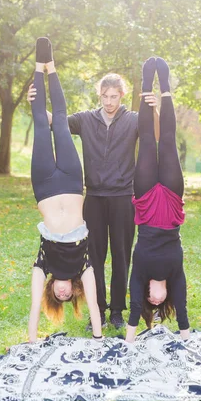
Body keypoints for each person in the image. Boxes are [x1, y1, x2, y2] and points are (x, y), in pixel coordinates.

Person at [29, 70, 157, 329]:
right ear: (99, 95)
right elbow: (57, 122)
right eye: (105, 96)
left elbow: (156, 132)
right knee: (94, 259)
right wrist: (36, 102)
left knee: (121, 257)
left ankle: (118, 311)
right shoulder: (86, 119)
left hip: (123, 197)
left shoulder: (133, 120)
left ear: (121, 96)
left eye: (114, 96)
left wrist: (157, 107)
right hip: (94, 198)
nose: (109, 102)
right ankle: (97, 310)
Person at [27, 37, 102, 343]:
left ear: (52, 292)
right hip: (71, 181)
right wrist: (98, 340)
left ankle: (37, 66)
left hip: (44, 184)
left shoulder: (41, 264)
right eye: (67, 294)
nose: (62, 291)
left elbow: (33, 307)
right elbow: (95, 307)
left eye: (57, 294)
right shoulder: (83, 266)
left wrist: (31, 342)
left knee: (39, 122)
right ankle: (51, 66)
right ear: (74, 290)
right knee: (59, 121)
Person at [125, 57, 190, 344]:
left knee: (148, 143)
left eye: (148, 299)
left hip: (148, 205)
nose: (153, 297)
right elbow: (184, 311)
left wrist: (130, 338)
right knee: (168, 141)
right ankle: (165, 88)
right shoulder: (175, 277)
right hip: (172, 205)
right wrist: (185, 336)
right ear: (164, 300)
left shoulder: (140, 272)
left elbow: (134, 306)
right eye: (156, 301)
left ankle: (144, 85)